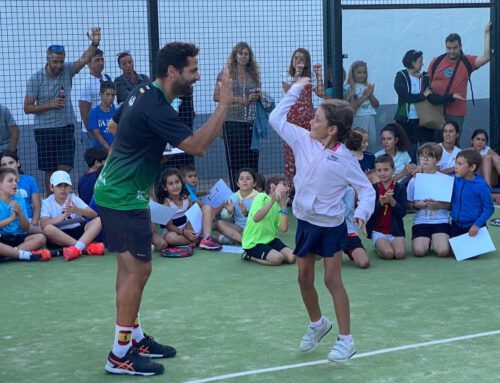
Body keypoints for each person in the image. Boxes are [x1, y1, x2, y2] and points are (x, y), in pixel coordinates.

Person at [93, 42, 233, 376]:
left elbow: (114, 127)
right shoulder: (156, 105)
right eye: (193, 70)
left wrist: (123, 166)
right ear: (173, 72)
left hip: (125, 193)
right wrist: (224, 104)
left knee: (131, 271)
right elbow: (197, 147)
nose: (198, 77)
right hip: (121, 197)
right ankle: (119, 355)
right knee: (138, 272)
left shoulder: (142, 89)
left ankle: (133, 338)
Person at [269, 77, 375, 362]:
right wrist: (295, 89)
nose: (310, 123)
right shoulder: (302, 139)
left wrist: (362, 214)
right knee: (304, 278)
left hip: (331, 226)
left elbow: (366, 190)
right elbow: (275, 117)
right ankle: (318, 324)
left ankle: (346, 340)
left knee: (331, 279)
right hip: (305, 221)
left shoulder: (345, 160)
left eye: (316, 119)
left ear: (332, 129)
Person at [24, 27, 102, 194]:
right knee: (50, 169)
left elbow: (83, 59)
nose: (59, 65)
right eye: (55, 62)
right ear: (48, 60)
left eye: (61, 61)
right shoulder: (35, 79)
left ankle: (63, 197)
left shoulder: (67, 70)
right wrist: (50, 104)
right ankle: (52, 200)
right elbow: (27, 108)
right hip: (44, 129)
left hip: (66, 126)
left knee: (65, 166)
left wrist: (94, 43)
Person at [213, 42, 260, 190]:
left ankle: (253, 194)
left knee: (251, 158)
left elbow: (257, 91)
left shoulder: (253, 74)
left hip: (251, 122)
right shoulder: (226, 73)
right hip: (232, 121)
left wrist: (258, 96)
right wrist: (239, 100)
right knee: (236, 159)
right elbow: (216, 96)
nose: (243, 56)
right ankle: (236, 192)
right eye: (240, 53)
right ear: (235, 55)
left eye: (246, 54)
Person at [427, 23, 491, 130]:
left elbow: (486, 57)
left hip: (456, 112)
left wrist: (486, 33)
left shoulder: (467, 61)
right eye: (449, 48)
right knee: (434, 145)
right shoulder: (436, 61)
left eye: (455, 48)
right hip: (435, 110)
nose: (451, 51)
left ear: (460, 46)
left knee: (453, 144)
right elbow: (426, 82)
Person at [282, 49, 324, 195]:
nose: (298, 61)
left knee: (309, 151)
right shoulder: (286, 76)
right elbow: (290, 90)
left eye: (302, 59)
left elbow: (320, 93)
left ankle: (310, 186)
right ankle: (292, 190)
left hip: (308, 121)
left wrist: (318, 75)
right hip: (292, 121)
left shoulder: (309, 77)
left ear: (307, 62)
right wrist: (297, 75)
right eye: (296, 58)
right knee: (291, 153)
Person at [40, 170, 104, 261]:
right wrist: (64, 215)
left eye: (66, 185)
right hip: (59, 235)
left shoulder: (74, 198)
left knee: (99, 220)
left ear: (70, 188)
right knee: (48, 229)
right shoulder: (46, 203)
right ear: (51, 187)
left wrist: (76, 209)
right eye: (59, 186)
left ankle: (76, 248)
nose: (63, 189)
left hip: (78, 232)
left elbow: (93, 215)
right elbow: (44, 223)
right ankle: (82, 248)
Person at [155, 168, 221, 250]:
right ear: (165, 187)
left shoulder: (186, 198)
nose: (175, 186)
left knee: (207, 208)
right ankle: (197, 240)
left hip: (188, 229)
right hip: (176, 232)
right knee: (170, 238)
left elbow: (192, 216)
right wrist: (184, 232)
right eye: (171, 184)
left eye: (177, 182)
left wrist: (192, 229)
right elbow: (170, 227)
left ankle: (206, 239)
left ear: (181, 183)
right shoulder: (165, 204)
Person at [407, 143, 451, 257]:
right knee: (419, 252)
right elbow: (409, 204)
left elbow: (451, 205)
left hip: (441, 221)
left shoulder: (445, 180)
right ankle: (429, 241)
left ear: (438, 159)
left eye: (429, 156)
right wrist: (418, 205)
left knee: (443, 252)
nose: (425, 159)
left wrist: (439, 205)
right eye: (422, 156)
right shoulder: (413, 181)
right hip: (421, 221)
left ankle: (436, 241)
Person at [241, 176, 295, 266]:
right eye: (284, 185)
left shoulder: (280, 205)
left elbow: (283, 229)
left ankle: (270, 253)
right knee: (278, 258)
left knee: (292, 258)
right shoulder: (261, 197)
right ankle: (249, 255)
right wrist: (272, 201)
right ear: (273, 186)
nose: (288, 188)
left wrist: (284, 207)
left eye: (288, 185)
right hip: (254, 243)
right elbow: (256, 218)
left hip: (271, 240)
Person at [0, 168, 51, 262]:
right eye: (10, 181)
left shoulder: (20, 200)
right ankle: (22, 254)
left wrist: (20, 213)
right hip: (3, 238)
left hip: (19, 237)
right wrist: (11, 218)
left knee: (40, 238)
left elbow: (25, 227)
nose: (15, 183)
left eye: (15, 180)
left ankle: (10, 254)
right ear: (0, 185)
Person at [393, 50, 435, 161]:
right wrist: (422, 95)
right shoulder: (400, 76)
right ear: (413, 62)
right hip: (406, 120)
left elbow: (431, 92)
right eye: (420, 61)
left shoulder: (425, 77)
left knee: (426, 152)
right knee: (408, 152)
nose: (422, 64)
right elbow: (405, 97)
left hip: (423, 119)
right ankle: (410, 176)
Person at [366, 155, 408, 260]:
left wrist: (392, 202)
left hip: (396, 230)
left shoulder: (400, 188)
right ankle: (378, 246)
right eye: (379, 170)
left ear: (393, 170)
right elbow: (369, 213)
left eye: (386, 170)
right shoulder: (373, 189)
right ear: (375, 171)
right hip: (378, 231)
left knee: (400, 254)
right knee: (389, 254)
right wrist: (381, 203)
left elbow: (403, 212)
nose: (382, 173)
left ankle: (388, 245)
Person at [450, 148, 493, 238]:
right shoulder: (452, 180)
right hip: (455, 225)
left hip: (474, 227)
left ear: (472, 167)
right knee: (451, 252)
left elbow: (490, 208)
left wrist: (477, 224)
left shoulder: (481, 186)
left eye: (460, 164)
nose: (455, 166)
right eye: (456, 163)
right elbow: (435, 176)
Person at [76, 48, 113, 145]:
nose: (101, 63)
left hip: (107, 128)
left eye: (102, 59)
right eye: (97, 60)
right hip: (94, 131)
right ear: (88, 63)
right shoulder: (86, 84)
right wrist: (92, 133)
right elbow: (84, 111)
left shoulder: (106, 78)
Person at [344, 60, 379, 151]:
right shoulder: (349, 87)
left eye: (364, 73)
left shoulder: (367, 86)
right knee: (359, 143)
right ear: (353, 73)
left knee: (371, 143)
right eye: (359, 72)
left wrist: (370, 94)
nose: (362, 75)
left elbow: (376, 105)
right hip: (358, 118)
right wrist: (365, 96)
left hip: (370, 116)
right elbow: (353, 109)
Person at [217, 168, 259, 245]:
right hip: (238, 228)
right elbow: (224, 217)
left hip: (254, 228)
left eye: (248, 178)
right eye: (241, 179)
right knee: (220, 224)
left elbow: (259, 218)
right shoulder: (233, 197)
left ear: (254, 183)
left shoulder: (258, 197)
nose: (244, 181)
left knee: (223, 238)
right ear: (237, 184)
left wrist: (246, 213)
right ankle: (244, 240)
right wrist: (229, 212)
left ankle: (238, 239)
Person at [0, 150, 41, 227]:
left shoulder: (30, 180)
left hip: (28, 220)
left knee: (41, 236)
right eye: (4, 164)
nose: (8, 166)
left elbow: (37, 207)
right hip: (6, 222)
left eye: (11, 163)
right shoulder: (1, 183)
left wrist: (34, 223)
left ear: (18, 163)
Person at [341, 186, 370, 268]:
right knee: (333, 264)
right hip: (328, 232)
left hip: (348, 232)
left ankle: (350, 251)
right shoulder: (321, 188)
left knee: (364, 263)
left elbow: (342, 214)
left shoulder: (349, 190)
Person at [87, 81, 117, 151]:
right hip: (100, 149)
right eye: (108, 94)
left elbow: (118, 133)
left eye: (113, 95)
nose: (111, 98)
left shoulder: (116, 112)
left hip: (114, 148)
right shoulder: (94, 112)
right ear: (100, 94)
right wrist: (108, 148)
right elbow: (97, 134)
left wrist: (113, 148)